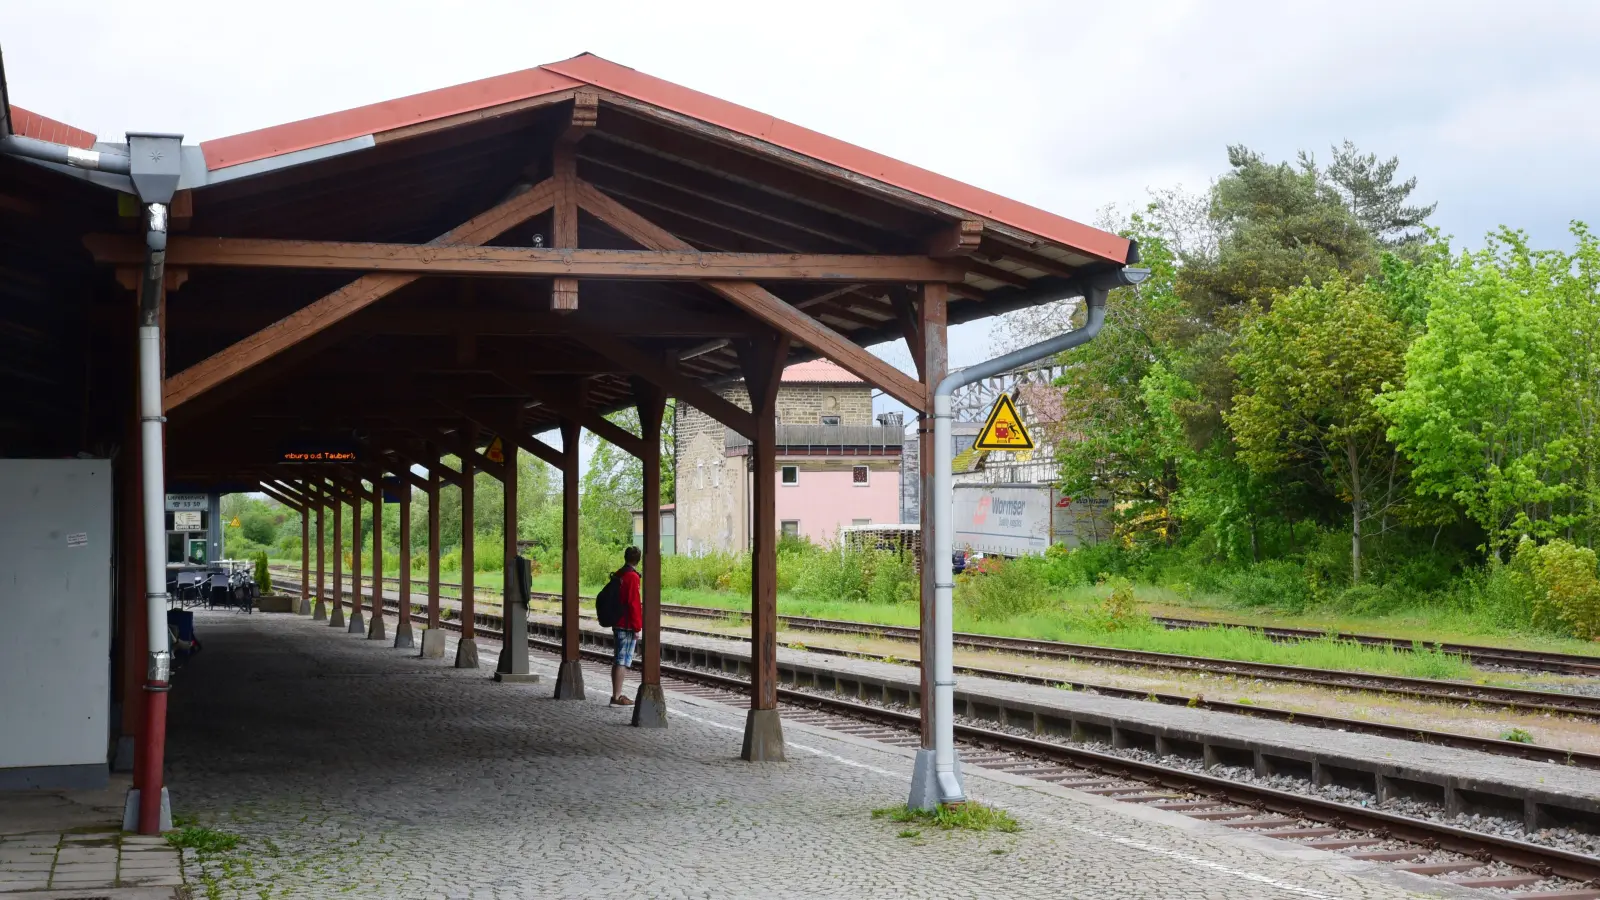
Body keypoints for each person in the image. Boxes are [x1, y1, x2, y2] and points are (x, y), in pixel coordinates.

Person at [610, 546, 644, 706]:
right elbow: (634, 603)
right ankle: (617, 697)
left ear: (625, 557)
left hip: (617, 621)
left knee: (617, 659)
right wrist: (637, 627)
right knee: (622, 661)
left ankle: (615, 693)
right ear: (639, 559)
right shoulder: (632, 577)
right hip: (627, 624)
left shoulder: (619, 574)